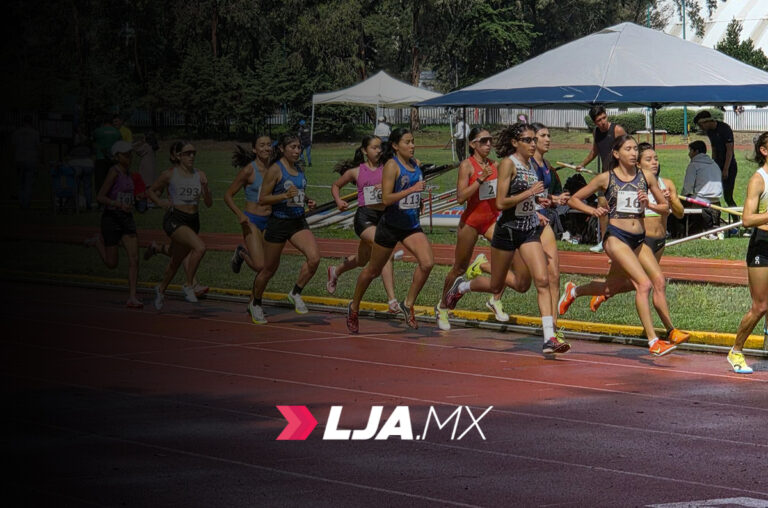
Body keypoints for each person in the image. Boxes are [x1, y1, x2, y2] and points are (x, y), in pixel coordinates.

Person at [445, 123, 570, 355]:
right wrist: (529, 194)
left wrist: (541, 202)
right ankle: (462, 287)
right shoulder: (507, 164)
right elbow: (502, 203)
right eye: (528, 140)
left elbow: (531, 197)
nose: (533, 144)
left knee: (539, 281)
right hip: (508, 230)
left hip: (529, 229)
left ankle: (549, 338)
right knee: (496, 284)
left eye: (534, 140)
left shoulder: (531, 164)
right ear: (515, 142)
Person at [561, 135, 681, 356]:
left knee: (611, 287)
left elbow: (666, 208)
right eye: (628, 149)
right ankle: (653, 340)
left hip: (638, 239)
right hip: (616, 237)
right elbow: (573, 199)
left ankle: (574, 290)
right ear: (616, 154)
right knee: (643, 285)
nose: (634, 153)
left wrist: (650, 203)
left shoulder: (646, 177)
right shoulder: (605, 178)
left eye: (635, 148)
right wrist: (592, 210)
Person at [347, 128, 434, 333]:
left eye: (413, 141)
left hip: (410, 225)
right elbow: (386, 199)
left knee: (428, 263)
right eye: (407, 142)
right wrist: (411, 191)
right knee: (372, 271)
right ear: (395, 146)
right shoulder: (392, 166)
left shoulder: (416, 164)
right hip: (390, 226)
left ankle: (408, 304)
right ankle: (354, 306)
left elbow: (415, 187)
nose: (412, 146)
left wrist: (418, 199)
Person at [435, 127, 503, 331]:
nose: (488, 144)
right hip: (471, 222)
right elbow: (460, 197)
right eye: (483, 141)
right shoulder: (467, 166)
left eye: (490, 140)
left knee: (509, 255)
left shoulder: (495, 165)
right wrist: (480, 179)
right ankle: (442, 307)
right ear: (473, 144)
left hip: (491, 220)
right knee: (459, 269)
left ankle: (495, 299)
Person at [251, 133, 320, 323]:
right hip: (279, 222)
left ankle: (295, 292)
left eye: (299, 147)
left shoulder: (298, 168)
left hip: (297, 221)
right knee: (269, 269)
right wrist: (283, 196)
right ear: (282, 149)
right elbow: (263, 198)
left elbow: (296, 191)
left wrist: (308, 200)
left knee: (314, 259)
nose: (297, 151)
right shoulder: (275, 169)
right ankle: (256, 303)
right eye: (293, 147)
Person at [326, 135, 399, 313]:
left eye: (380, 147)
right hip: (365, 218)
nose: (378, 151)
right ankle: (392, 301)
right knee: (385, 251)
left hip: (383, 218)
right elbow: (336, 186)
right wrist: (338, 201)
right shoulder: (356, 171)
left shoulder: (388, 168)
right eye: (374, 148)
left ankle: (335, 271)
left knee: (362, 259)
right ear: (364, 151)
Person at [147, 141, 213, 309]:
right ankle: (189, 284)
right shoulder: (169, 174)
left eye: (193, 153)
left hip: (193, 220)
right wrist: (160, 202)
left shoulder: (200, 174)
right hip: (175, 219)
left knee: (176, 261)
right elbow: (151, 191)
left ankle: (160, 289)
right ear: (178, 156)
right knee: (200, 247)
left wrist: (205, 187)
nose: (191, 156)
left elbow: (209, 204)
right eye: (187, 153)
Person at [728, 132, 768, 374]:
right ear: (764, 150)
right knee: (761, 306)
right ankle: (736, 351)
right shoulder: (759, 179)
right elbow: (746, 219)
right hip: (762, 244)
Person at [84, 140, 142, 308]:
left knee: (134, 258)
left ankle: (132, 296)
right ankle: (97, 242)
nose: (129, 157)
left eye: (130, 153)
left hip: (127, 219)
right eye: (125, 154)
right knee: (112, 263)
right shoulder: (113, 172)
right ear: (117, 156)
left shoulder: (130, 174)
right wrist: (118, 204)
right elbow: (100, 197)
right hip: (112, 219)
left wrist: (136, 199)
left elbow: (130, 195)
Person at [577, 106, 627, 253]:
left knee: (620, 208)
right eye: (599, 120)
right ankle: (604, 241)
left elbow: (629, 148)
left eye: (604, 118)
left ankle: (624, 240)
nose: (603, 122)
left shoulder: (617, 130)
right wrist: (582, 164)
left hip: (619, 175)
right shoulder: (596, 132)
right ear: (594, 122)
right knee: (602, 206)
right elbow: (595, 151)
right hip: (605, 176)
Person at [693, 110, 738, 207]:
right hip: (718, 165)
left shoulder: (724, 129)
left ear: (706, 122)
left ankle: (736, 219)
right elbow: (714, 149)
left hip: (729, 166)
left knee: (727, 196)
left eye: (701, 125)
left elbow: (729, 150)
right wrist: (713, 166)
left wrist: (725, 169)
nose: (701, 128)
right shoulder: (709, 132)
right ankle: (715, 218)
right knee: (713, 195)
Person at [681, 140, 724, 235]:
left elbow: (687, 189)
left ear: (696, 151)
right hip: (716, 201)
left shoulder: (693, 165)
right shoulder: (714, 164)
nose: (689, 154)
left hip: (700, 202)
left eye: (690, 151)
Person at [11, 116, 41, 209]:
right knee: (28, 182)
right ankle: (26, 203)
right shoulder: (35, 133)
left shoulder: (17, 133)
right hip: (31, 160)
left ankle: (21, 201)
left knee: (20, 182)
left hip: (19, 159)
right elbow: (38, 147)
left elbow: (13, 146)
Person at [92, 116, 123, 196]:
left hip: (100, 158)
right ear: (111, 122)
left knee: (100, 181)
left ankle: (101, 200)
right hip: (113, 159)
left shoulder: (98, 131)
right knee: (112, 179)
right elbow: (120, 145)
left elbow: (93, 143)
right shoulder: (117, 132)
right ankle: (111, 197)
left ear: (103, 122)